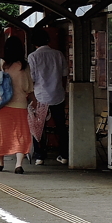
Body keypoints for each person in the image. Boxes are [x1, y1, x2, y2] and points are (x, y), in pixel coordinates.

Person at [0, 36, 34, 174]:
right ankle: (18, 164)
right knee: (21, 134)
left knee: (2, 134)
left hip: (2, 105)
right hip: (20, 105)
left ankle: (0, 163)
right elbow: (28, 87)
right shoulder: (24, 65)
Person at [27, 27, 69, 166]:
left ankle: (39, 156)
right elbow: (64, 75)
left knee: (38, 126)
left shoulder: (33, 56)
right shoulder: (58, 54)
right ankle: (64, 155)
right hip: (58, 94)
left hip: (40, 96)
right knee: (61, 126)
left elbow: (32, 77)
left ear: (34, 42)